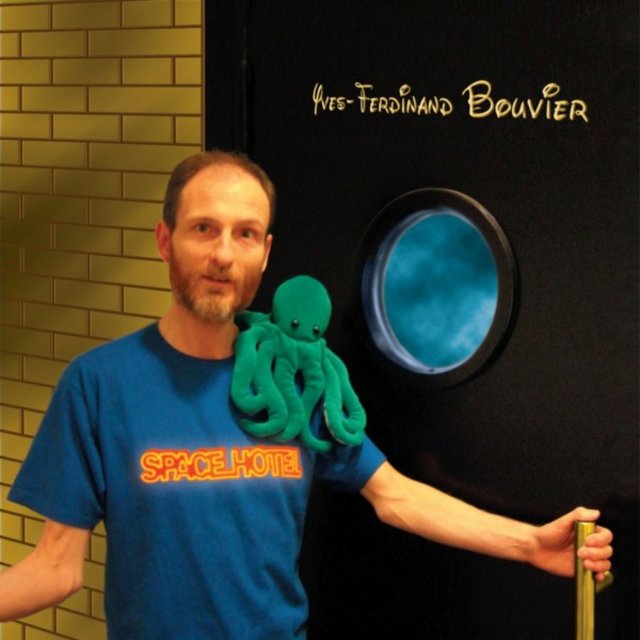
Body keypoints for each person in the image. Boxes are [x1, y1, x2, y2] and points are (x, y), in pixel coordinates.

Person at [1, 150, 613, 639]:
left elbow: (395, 495)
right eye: (203, 229)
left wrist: (530, 543)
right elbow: (56, 568)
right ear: (165, 240)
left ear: (265, 253)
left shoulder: (299, 380)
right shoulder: (99, 384)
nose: (222, 254)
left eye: (245, 234)